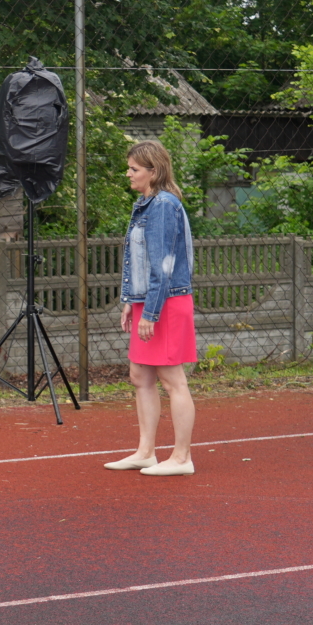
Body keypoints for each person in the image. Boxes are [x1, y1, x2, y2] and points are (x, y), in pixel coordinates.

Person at [107, 140, 199, 477]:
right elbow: (138, 261)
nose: (128, 174)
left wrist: (150, 312)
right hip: (149, 300)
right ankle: (146, 453)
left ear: (153, 171)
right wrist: (131, 301)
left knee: (172, 379)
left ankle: (182, 457)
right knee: (140, 376)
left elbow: (163, 265)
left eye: (134, 169)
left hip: (166, 303)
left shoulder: (162, 205)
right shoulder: (145, 203)